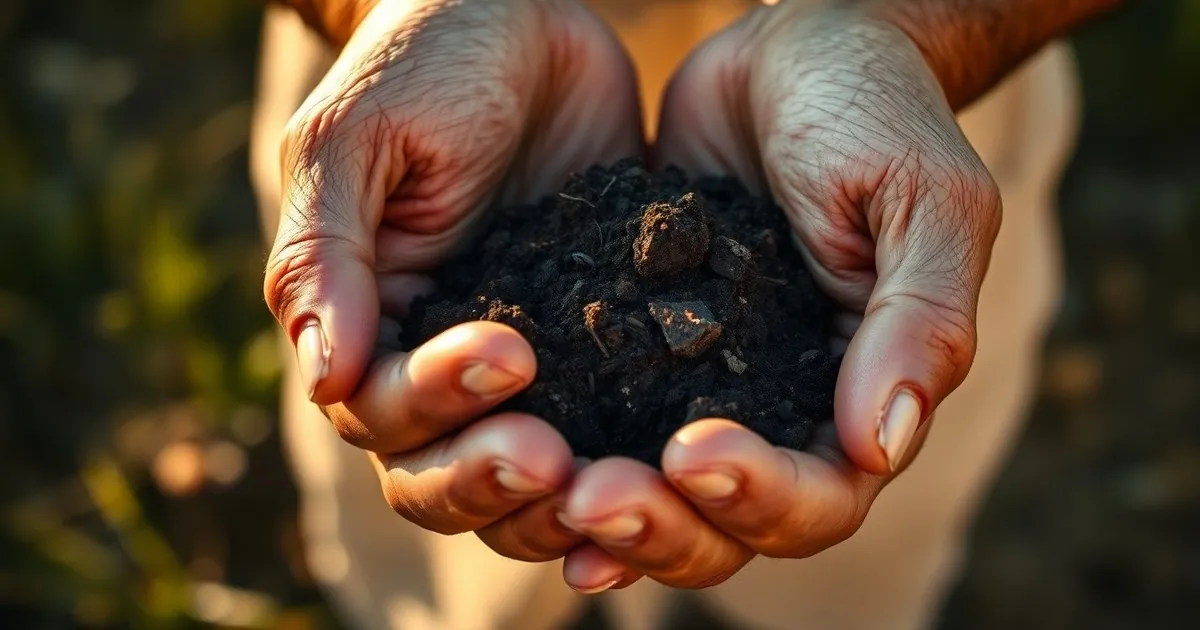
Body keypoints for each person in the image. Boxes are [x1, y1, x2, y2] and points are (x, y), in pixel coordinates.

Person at [249, 1, 1125, 628]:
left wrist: (913, 29)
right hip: (430, 110)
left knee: (853, 552)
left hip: (901, 132)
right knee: (431, 565)